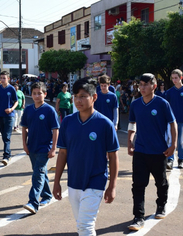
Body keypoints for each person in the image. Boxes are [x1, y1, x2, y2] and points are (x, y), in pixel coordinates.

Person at [53, 78, 119, 236]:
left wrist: (112, 186)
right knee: (81, 225)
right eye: (75, 96)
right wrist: (56, 182)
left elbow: (113, 156)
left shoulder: (105, 124)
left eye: (83, 96)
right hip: (74, 181)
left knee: (85, 226)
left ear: (94, 97)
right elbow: (62, 153)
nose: (78, 100)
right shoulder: (68, 122)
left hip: (95, 181)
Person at [127, 73, 177, 231]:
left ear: (154, 86)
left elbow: (173, 123)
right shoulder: (135, 104)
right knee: (138, 185)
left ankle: (161, 205)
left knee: (161, 182)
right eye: (140, 85)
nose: (142, 88)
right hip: (140, 151)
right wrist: (129, 141)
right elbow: (132, 123)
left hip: (158, 152)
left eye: (146, 85)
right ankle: (138, 217)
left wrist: (173, 145)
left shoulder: (162, 104)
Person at [21, 82, 59, 214]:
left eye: (40, 93)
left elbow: (55, 130)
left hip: (44, 149)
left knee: (37, 174)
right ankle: (47, 195)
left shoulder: (49, 110)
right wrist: (25, 144)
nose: (37, 96)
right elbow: (24, 128)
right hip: (32, 147)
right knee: (41, 172)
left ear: (45, 94)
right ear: (31, 94)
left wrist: (53, 148)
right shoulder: (28, 110)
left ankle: (33, 202)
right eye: (34, 93)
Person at [165, 69, 183, 169]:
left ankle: (181, 159)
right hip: (172, 121)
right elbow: (166, 107)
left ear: (181, 78)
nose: (174, 80)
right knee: (170, 140)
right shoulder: (169, 92)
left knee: (181, 141)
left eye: (176, 78)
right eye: (172, 78)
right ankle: (170, 160)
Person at [0, 71, 18, 166]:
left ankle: (6, 156)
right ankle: (9, 153)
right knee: (3, 136)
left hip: (10, 116)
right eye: (1, 78)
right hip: (0, 115)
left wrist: (11, 109)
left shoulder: (12, 89)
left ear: (8, 79)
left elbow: (16, 102)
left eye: (4, 78)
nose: (2, 80)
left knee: (6, 136)